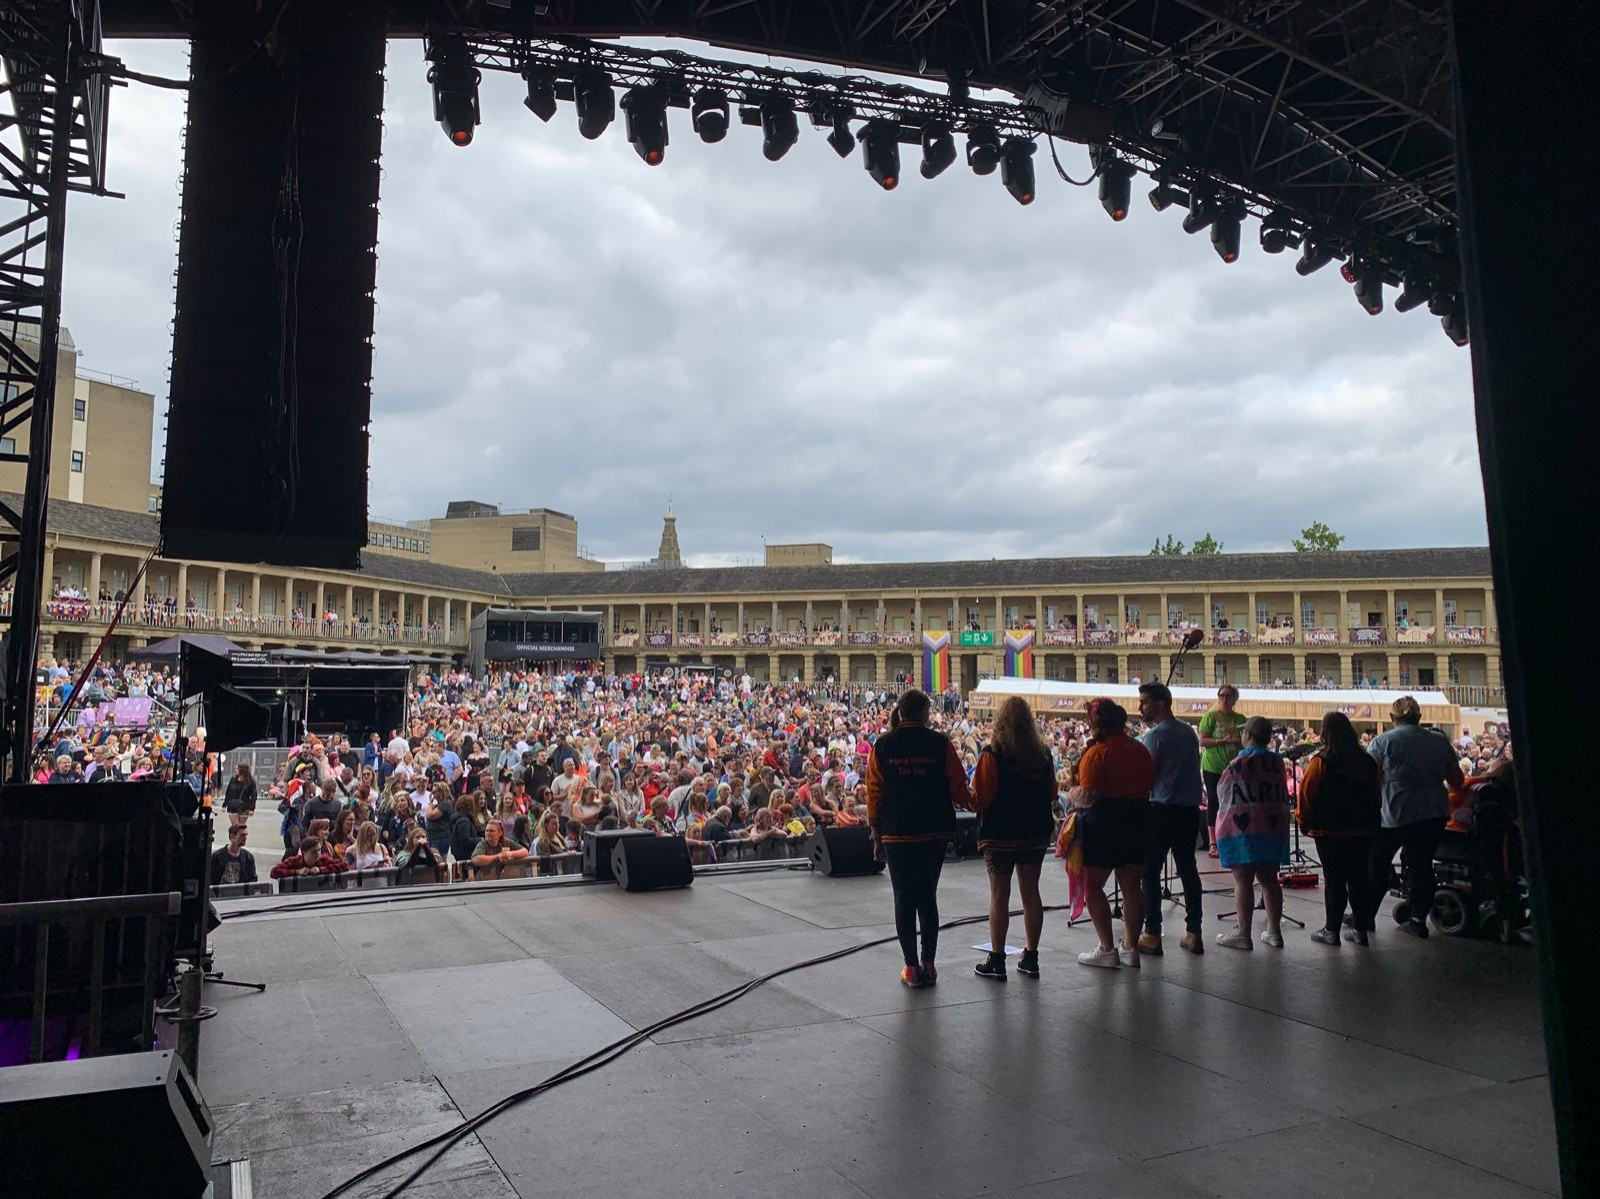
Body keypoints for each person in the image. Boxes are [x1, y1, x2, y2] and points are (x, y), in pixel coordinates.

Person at [865, 689, 973, 989]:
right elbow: (958, 787)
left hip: (897, 832)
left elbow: (874, 792)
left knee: (903, 897)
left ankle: (911, 968)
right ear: (925, 713)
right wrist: (979, 804)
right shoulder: (940, 743)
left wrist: (876, 833)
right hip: (934, 830)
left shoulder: (883, 745)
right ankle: (930, 963)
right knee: (928, 897)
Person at [971, 697, 1056, 981]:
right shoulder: (1043, 755)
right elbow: (1052, 793)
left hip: (1000, 833)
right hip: (1034, 832)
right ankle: (1031, 957)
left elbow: (982, 796)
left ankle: (997, 960)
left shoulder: (992, 755)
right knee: (1031, 894)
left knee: (999, 895)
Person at [1366, 696, 1464, 938]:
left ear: (1392, 718)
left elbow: (1370, 782)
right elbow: (1457, 781)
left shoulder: (1382, 743)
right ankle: (1418, 920)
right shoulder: (1439, 741)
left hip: (1395, 812)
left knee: (1376, 863)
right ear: (1419, 717)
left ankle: (1365, 917)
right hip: (1434, 811)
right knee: (1423, 865)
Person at [1070, 700, 1155, 969]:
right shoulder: (1141, 750)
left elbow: (1087, 795)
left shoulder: (1096, 754)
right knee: (1132, 884)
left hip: (1104, 820)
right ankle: (1131, 947)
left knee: (1093, 885)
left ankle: (1107, 948)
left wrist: (1071, 794)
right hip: (1139, 817)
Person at [1296, 711, 1383, 945]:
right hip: (1363, 829)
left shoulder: (1321, 761)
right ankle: (1361, 931)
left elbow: (1306, 794)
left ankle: (1331, 930)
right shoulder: (1367, 761)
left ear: (1325, 733)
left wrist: (1303, 821)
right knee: (1359, 878)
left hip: (1330, 830)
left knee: (1334, 880)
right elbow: (1377, 792)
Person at [1136, 682, 1206, 956]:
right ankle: (1194, 932)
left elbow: (1146, 775)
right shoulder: (1189, 733)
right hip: (1188, 811)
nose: (1140, 707)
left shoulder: (1155, 737)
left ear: (1160, 704)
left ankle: (1152, 933)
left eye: (1144, 702)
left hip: (1161, 810)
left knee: (1150, 871)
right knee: (1188, 870)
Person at [1214, 716, 1292, 950]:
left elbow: (1223, 793)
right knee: (1270, 880)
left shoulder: (1238, 763)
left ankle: (1244, 934)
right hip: (1272, 827)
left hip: (1244, 831)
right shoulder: (1277, 762)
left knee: (1243, 880)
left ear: (1247, 735)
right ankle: (1274, 932)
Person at [1198, 684, 1247, 856]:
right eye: (1221, 695)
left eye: (1228, 696)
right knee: (1214, 801)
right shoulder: (1211, 716)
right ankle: (1213, 842)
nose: (1224, 699)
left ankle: (1232, 836)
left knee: (1234, 802)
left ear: (1235, 698)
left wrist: (1238, 742)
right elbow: (1202, 741)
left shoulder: (1241, 719)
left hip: (1234, 765)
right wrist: (1222, 741)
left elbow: (1247, 741)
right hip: (1213, 765)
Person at [220, 761, 257, 832]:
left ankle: (240, 840)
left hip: (244, 806)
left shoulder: (250, 781)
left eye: (237, 768)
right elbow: (228, 792)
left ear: (242, 770)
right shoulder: (233, 779)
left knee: (241, 827)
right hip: (232, 805)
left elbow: (253, 795)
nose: (235, 770)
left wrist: (252, 808)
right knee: (235, 827)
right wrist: (224, 805)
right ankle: (234, 841)